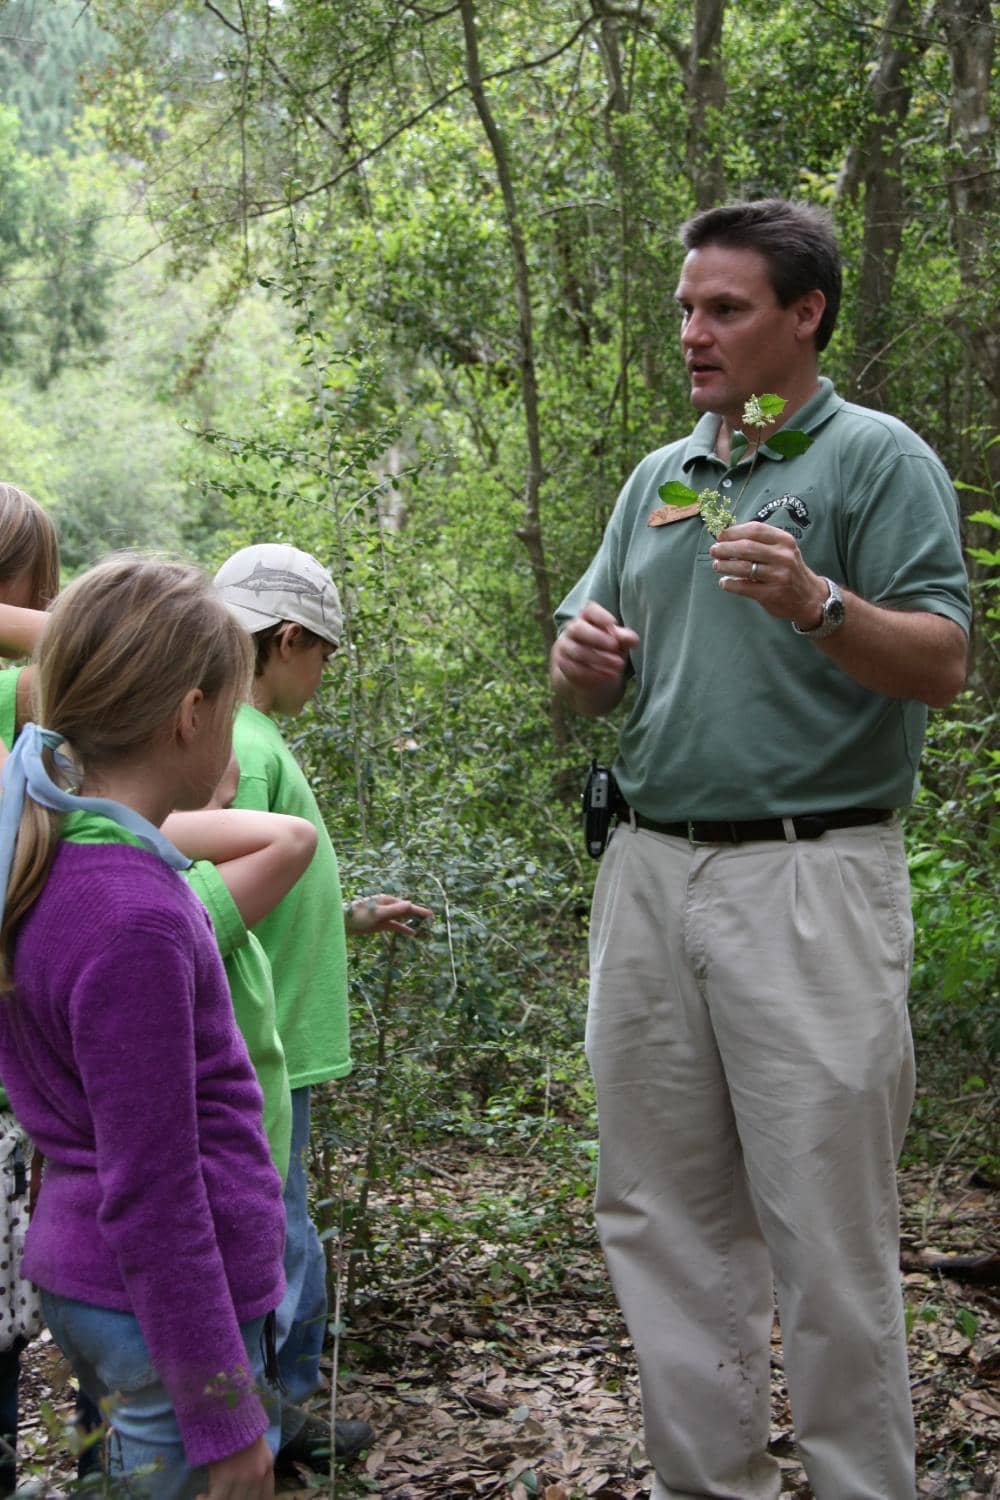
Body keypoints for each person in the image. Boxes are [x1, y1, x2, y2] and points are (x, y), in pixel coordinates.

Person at [550, 199, 971, 1500]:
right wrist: (579, 661)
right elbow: (590, 660)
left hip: (810, 878)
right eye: (686, 306)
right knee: (661, 1224)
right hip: (650, 875)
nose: (694, 331)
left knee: (828, 1235)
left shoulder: (872, 459)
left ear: (806, 314)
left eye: (723, 307)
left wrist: (818, 601)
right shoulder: (662, 477)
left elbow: (945, 660)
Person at [0, 555, 287, 1498]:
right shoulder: (134, 915)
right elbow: (155, 1186)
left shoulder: (53, 862)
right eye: (234, 706)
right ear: (191, 715)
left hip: (94, 1286)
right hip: (153, 1315)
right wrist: (223, 1410)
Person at [214, 543, 430, 1471]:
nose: (324, 673)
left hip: (281, 1033)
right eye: (323, 654)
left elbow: (265, 891)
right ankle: (274, 1422)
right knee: (277, 1233)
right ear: (288, 638)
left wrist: (349, 917)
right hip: (267, 1044)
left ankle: (275, 1414)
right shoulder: (245, 744)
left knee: (283, 1224)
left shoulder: (247, 739)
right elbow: (213, 896)